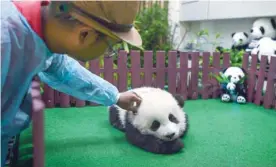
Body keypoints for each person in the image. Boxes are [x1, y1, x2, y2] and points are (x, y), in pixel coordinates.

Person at [1, 1, 143, 166]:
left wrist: (115, 97)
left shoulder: (37, 32)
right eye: (110, 47)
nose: (108, 53)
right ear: (85, 35)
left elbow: (64, 70)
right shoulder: (4, 41)